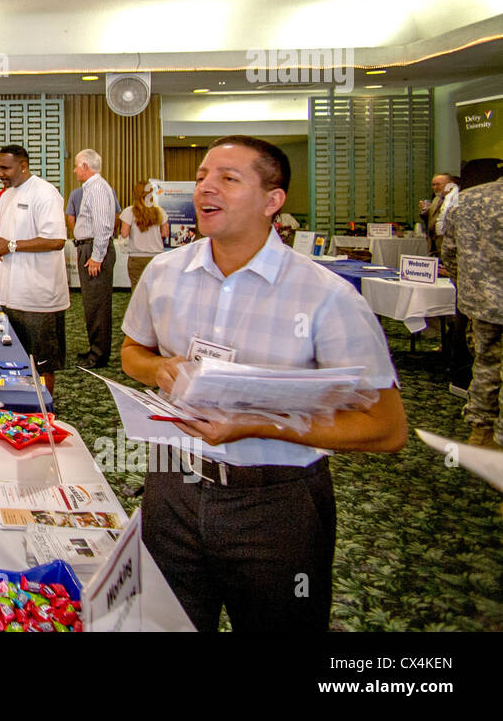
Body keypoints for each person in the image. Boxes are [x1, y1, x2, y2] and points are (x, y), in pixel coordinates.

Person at [121, 135, 406, 632]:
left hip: (274, 502)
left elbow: (385, 427)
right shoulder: (165, 273)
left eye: (228, 179)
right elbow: (132, 352)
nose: (205, 188)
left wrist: (258, 425)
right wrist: (157, 370)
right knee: (165, 622)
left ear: (272, 201)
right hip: (171, 489)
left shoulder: (327, 296)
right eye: (203, 176)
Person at [0, 145, 69, 392]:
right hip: (11, 295)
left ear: (23, 165)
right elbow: (8, 238)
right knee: (14, 361)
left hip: (39, 298)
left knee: (42, 364)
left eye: (5, 168)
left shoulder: (45, 193)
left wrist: (10, 245)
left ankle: (46, 416)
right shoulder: (5, 197)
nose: (0, 174)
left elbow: (56, 240)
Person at [441, 174, 503, 449]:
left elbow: (450, 254)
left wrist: (470, 288)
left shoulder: (467, 199)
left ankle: (481, 431)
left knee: (486, 365)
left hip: (481, 303)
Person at [71, 149, 118, 369]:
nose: (74, 170)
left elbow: (103, 227)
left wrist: (97, 257)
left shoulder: (97, 189)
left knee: (97, 304)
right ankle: (95, 348)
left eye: (76, 166)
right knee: (92, 303)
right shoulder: (93, 188)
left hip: (94, 250)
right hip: (89, 248)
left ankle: (99, 354)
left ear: (85, 167)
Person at [120, 180, 169, 290]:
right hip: (156, 257)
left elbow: (124, 234)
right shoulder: (160, 211)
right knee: (156, 290)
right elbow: (165, 233)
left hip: (136, 258)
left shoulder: (129, 211)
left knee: (137, 290)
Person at [423, 173, 460, 259]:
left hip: (449, 244)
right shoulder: (437, 198)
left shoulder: (457, 199)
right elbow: (433, 219)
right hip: (435, 244)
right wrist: (425, 212)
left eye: (438, 184)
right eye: (433, 184)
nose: (435, 187)